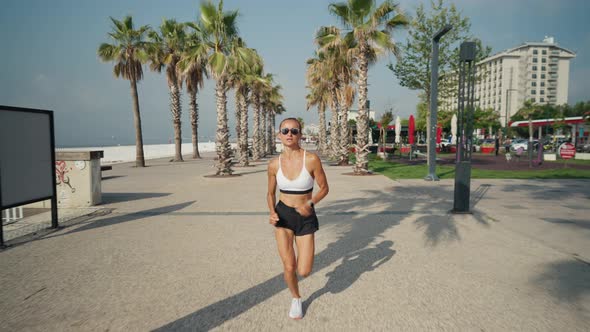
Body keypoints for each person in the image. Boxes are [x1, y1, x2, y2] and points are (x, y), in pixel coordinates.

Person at [267, 117, 329, 320]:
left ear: (300, 135)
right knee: (289, 266)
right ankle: (296, 298)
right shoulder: (274, 164)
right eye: (285, 131)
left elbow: (325, 188)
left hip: (305, 217)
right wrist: (271, 212)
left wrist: (309, 204)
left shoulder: (311, 159)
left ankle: (298, 287)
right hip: (283, 215)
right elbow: (270, 193)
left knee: (304, 270)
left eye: (294, 131)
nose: (289, 134)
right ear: (279, 135)